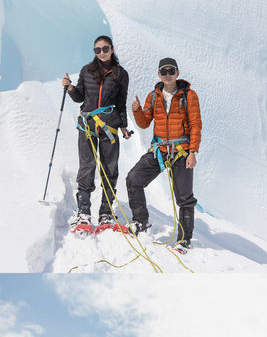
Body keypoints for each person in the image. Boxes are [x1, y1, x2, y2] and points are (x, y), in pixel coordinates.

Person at [126, 57, 202, 250]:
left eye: (171, 71)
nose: (167, 75)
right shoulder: (153, 96)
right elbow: (144, 123)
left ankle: (184, 240)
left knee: (184, 198)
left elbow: (195, 125)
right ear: (159, 74)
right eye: (164, 71)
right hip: (159, 150)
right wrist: (136, 111)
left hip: (181, 151)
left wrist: (192, 152)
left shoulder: (189, 96)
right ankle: (140, 222)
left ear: (177, 73)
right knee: (134, 179)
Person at [62, 35, 131, 230]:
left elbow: (121, 103)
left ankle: (106, 213)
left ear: (112, 49)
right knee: (87, 166)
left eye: (105, 48)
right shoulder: (87, 71)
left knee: (110, 168)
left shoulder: (120, 74)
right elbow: (80, 97)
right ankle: (84, 212)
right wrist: (70, 88)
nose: (102, 52)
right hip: (88, 125)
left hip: (109, 127)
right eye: (97, 50)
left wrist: (124, 125)